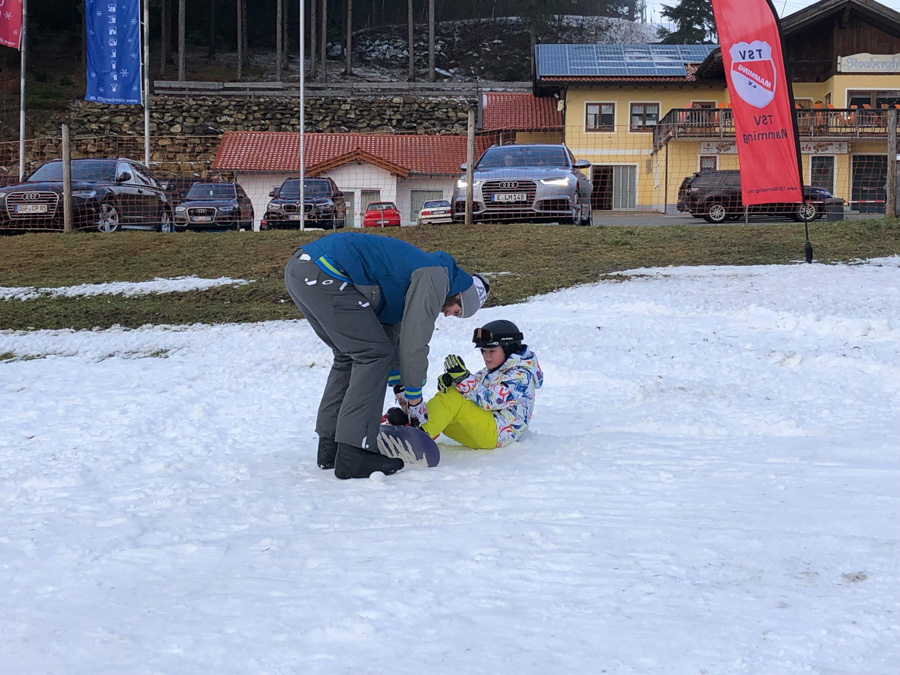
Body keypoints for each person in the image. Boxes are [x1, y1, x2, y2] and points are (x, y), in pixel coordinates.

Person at [284, 231, 490, 479]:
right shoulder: (436, 276)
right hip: (326, 272)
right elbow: (415, 343)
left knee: (349, 356)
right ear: (459, 295)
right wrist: (415, 401)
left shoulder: (420, 271)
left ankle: (331, 448)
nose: (448, 315)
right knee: (371, 355)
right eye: (456, 311)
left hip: (304, 268)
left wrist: (400, 388)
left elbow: (389, 332)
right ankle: (353, 452)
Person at [410, 319, 543, 450]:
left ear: (508, 348)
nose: (486, 356)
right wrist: (452, 381)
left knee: (455, 396)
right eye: (484, 351)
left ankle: (415, 438)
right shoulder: (496, 369)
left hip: (498, 433)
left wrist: (463, 379)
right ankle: (412, 425)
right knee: (451, 392)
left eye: (492, 351)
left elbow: (491, 400)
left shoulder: (521, 376)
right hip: (485, 430)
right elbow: (473, 386)